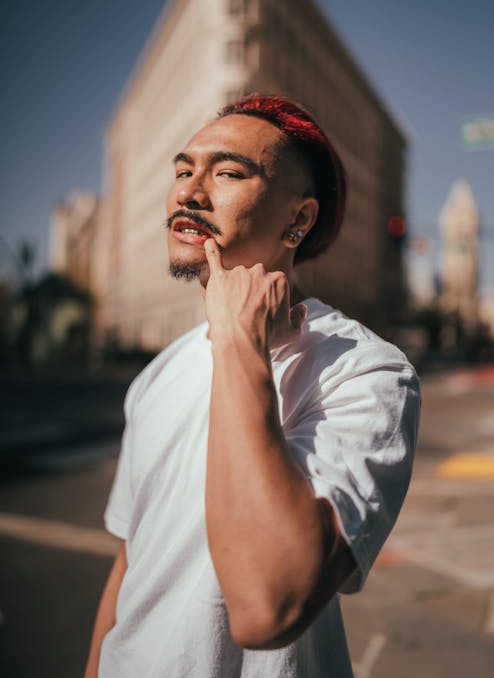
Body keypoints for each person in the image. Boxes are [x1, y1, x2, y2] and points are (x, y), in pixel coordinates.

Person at [84, 94, 420, 677]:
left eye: (229, 173)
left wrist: (240, 341)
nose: (189, 191)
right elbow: (130, 565)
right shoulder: (155, 375)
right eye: (184, 170)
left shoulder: (366, 370)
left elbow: (270, 604)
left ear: (299, 219)